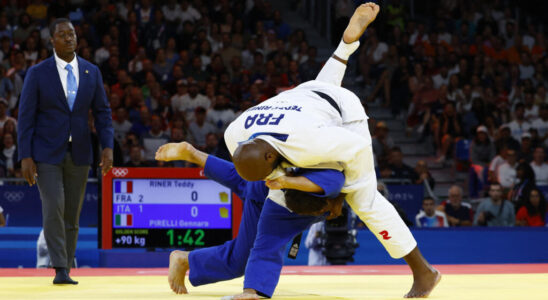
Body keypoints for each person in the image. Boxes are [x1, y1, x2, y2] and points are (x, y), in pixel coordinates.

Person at [222, 4, 440, 298]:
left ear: (272, 157)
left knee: (365, 202)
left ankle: (424, 272)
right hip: (304, 95)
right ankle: (345, 46)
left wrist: (340, 195)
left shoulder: (311, 143)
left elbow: (359, 147)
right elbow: (268, 160)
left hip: (342, 112)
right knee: (276, 201)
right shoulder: (234, 133)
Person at [155, 141, 346, 297]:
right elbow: (267, 246)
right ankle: (185, 259)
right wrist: (252, 290)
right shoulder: (281, 206)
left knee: (245, 181)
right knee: (241, 259)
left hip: (270, 170)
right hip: (275, 188)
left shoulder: (344, 178)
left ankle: (195, 155)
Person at [17, 18, 113, 285]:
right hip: (46, 153)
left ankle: (67, 266)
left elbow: (103, 113)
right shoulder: (38, 73)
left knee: (72, 213)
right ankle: (59, 266)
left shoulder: (91, 72)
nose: (69, 38)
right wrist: (25, 155)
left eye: (72, 33)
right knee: (53, 207)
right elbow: (25, 118)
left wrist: (107, 147)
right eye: (63, 35)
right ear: (52, 41)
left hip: (80, 151)